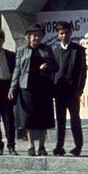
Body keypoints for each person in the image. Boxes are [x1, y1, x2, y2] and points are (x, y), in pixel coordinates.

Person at [9, 23, 56, 157]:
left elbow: (55, 67)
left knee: (43, 118)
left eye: (39, 35)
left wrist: (47, 67)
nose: (36, 37)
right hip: (27, 88)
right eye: (33, 35)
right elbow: (17, 70)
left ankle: (41, 146)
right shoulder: (22, 50)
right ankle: (31, 146)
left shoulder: (47, 49)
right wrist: (12, 88)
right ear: (28, 37)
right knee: (28, 118)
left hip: (43, 88)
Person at [52, 21, 87, 157]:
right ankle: (59, 147)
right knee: (60, 120)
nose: (64, 35)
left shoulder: (78, 50)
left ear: (71, 33)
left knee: (75, 119)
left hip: (73, 91)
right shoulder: (55, 51)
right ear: (58, 35)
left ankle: (78, 146)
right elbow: (52, 72)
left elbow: (82, 72)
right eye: (61, 33)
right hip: (59, 91)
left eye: (67, 32)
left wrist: (80, 89)